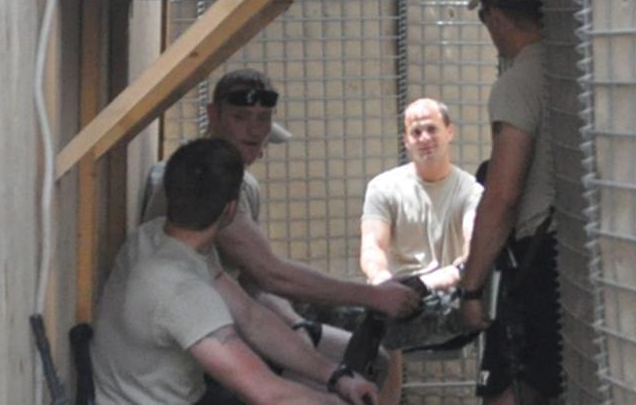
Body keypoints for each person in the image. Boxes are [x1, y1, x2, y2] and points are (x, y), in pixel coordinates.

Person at [141, 69, 421, 389]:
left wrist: (296, 325)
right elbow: (270, 273)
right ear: (212, 114)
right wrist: (373, 296)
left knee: (371, 361)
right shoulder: (204, 180)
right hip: (193, 338)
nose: (254, 130)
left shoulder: (243, 185)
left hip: (231, 314)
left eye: (263, 119)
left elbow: (251, 283)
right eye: (241, 117)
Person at [92, 138, 378, 404]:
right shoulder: (182, 290)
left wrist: (335, 375)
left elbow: (252, 319)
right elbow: (267, 393)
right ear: (230, 210)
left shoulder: (155, 239)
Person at [457, 0, 561, 405]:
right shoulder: (570, 71)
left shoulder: (517, 83)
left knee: (513, 386)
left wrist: (472, 288)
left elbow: (502, 196)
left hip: (537, 263)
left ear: (496, 16)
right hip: (573, 256)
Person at [360, 98, 484, 404]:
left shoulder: (471, 191)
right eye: (416, 132)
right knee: (371, 317)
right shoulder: (384, 187)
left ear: (450, 132)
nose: (424, 138)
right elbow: (372, 246)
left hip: (450, 296)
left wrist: (429, 283)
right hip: (396, 293)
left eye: (432, 129)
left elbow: (472, 253)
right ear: (406, 140)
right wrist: (382, 281)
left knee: (380, 326)